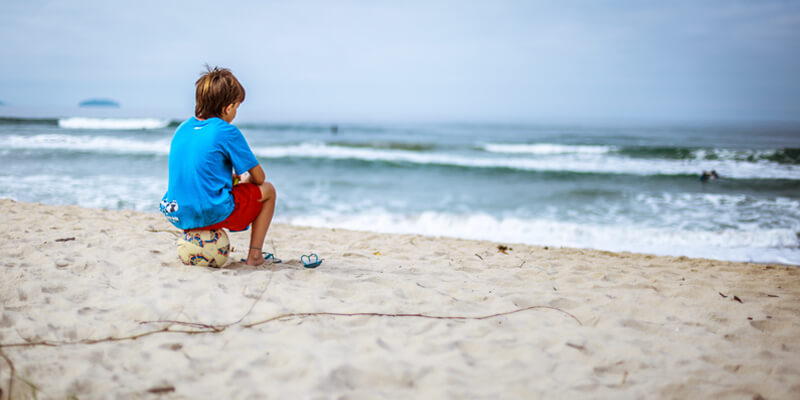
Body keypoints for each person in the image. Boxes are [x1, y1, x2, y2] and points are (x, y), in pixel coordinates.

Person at [160, 66, 277, 266]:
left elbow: (199, 173)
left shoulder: (182, 128)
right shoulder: (227, 131)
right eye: (236, 108)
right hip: (209, 211)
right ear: (228, 108)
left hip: (177, 212)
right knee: (269, 191)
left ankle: (195, 238)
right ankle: (255, 256)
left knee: (217, 189)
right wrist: (246, 179)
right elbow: (259, 178)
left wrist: (233, 178)